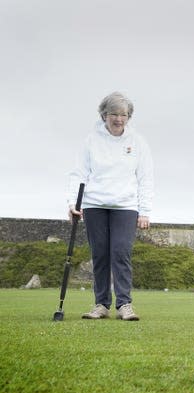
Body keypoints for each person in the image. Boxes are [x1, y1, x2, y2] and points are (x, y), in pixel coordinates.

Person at [67, 92, 154, 321]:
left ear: (129, 116)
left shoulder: (138, 143)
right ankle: (101, 304)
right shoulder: (91, 141)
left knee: (121, 252)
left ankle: (124, 304)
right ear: (104, 115)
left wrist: (144, 210)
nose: (118, 119)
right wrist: (72, 202)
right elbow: (79, 173)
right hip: (94, 204)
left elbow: (145, 177)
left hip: (125, 206)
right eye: (113, 114)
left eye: (123, 114)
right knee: (100, 255)